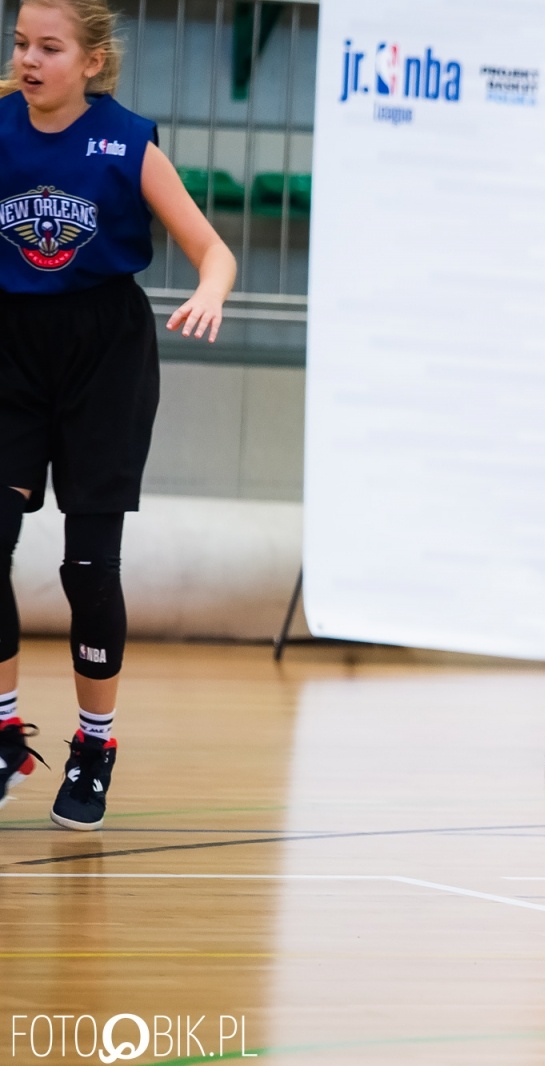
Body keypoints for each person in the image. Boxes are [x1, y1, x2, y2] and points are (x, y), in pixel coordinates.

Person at [0, 0, 236, 830]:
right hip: (12, 350)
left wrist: (208, 289)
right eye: (21, 43)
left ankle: (94, 747)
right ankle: (2, 735)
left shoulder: (126, 142)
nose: (30, 59)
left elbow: (214, 249)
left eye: (50, 47)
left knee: (88, 568)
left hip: (106, 355)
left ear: (92, 61)